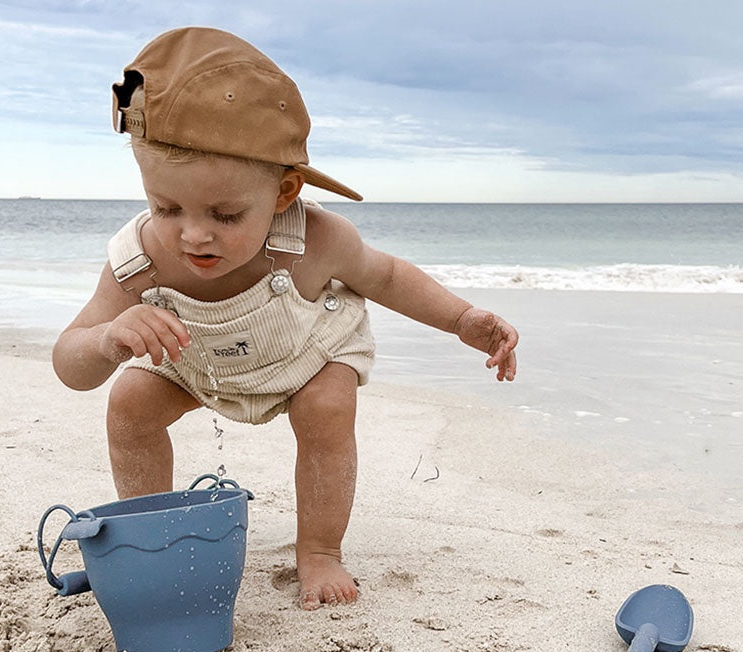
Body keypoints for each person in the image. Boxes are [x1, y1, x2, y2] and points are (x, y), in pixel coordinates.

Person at [53, 27, 518, 611]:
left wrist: (464, 319)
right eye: (166, 207)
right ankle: (153, 535)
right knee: (128, 403)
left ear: (284, 192)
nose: (192, 233)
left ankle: (319, 550)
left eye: (224, 214)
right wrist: (106, 339)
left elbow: (389, 277)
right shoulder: (140, 262)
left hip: (308, 356)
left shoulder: (315, 239)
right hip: (200, 367)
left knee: (327, 406)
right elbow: (70, 362)